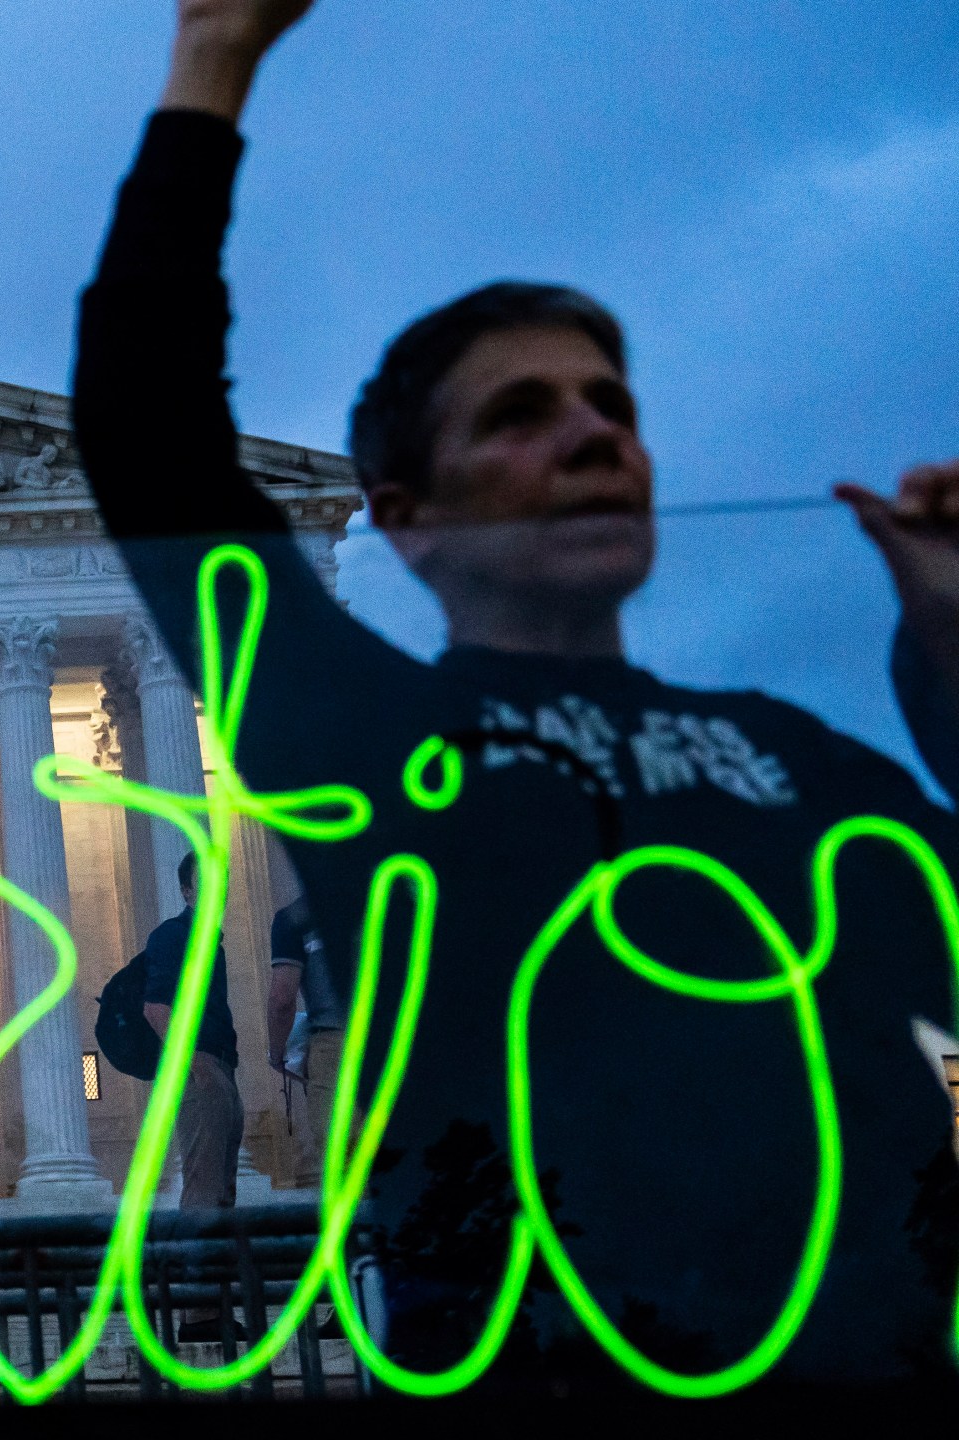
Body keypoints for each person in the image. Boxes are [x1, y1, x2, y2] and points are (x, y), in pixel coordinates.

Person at [77, 0, 959, 1382]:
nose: (596, 432)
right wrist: (211, 69)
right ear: (407, 515)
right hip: (553, 1368)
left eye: (612, 404)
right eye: (522, 414)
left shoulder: (791, 755)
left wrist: (949, 639)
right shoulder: (369, 737)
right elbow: (152, 447)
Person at [137, 851, 244, 1342]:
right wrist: (197, 1064)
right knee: (203, 1188)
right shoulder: (175, 935)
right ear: (186, 891)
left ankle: (213, 1306)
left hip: (219, 1066)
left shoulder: (210, 942)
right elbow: (155, 1007)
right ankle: (199, 1315)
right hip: (202, 1070)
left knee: (221, 1188)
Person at [266, 895, 345, 1191]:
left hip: (336, 1045)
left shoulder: (295, 917)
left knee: (343, 1161)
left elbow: (282, 998)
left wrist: (277, 1053)